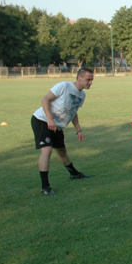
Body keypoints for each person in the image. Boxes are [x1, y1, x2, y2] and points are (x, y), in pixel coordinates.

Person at [31, 67, 94, 196]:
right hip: (42, 120)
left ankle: (74, 174)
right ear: (79, 78)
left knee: (62, 151)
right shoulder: (64, 86)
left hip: (57, 125)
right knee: (47, 150)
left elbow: (73, 111)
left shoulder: (82, 95)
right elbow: (45, 99)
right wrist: (50, 119)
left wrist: (79, 130)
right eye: (88, 80)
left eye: (92, 80)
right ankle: (45, 187)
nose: (90, 83)